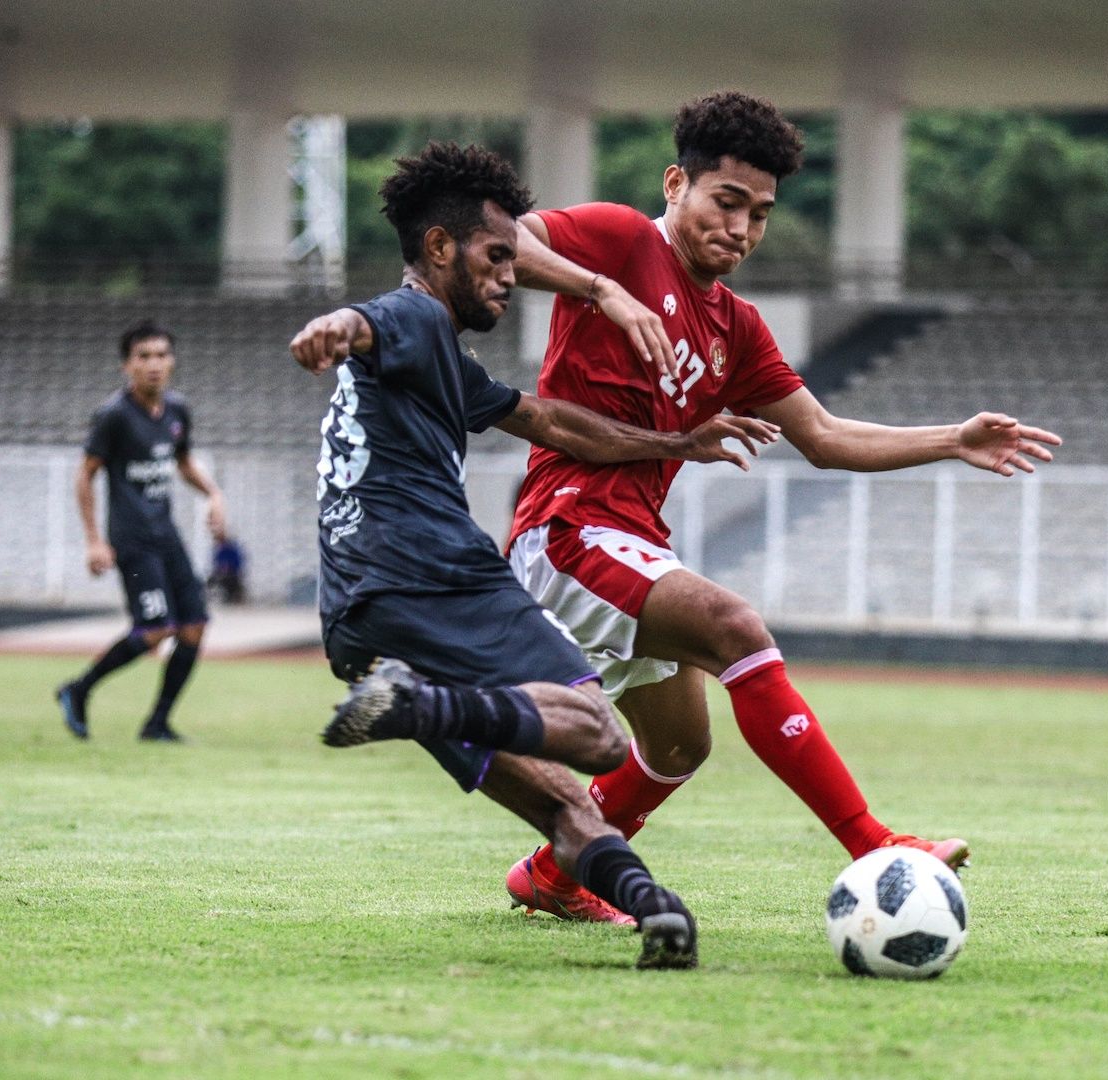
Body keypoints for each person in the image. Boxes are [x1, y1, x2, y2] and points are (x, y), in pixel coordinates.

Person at [496, 91, 1061, 920]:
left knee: (680, 746)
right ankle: (875, 845)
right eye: (727, 202)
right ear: (675, 185)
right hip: (566, 527)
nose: (742, 229)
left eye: (760, 214)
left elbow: (827, 437)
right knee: (736, 629)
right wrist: (603, 292)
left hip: (629, 539)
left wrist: (952, 438)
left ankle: (551, 874)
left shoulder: (737, 326)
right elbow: (501, 237)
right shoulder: (620, 240)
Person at [288, 141, 781, 969]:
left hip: (359, 615)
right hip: (434, 571)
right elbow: (366, 323)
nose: (511, 277)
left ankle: (653, 909)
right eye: (496, 257)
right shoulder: (413, 318)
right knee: (600, 739)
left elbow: (549, 420)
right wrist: (334, 328)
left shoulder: (443, 358)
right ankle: (419, 707)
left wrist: (675, 442)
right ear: (439, 248)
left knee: (560, 803)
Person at [56, 322, 227, 743]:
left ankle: (157, 723)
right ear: (126, 365)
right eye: (143, 356)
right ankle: (78, 690)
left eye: (160, 355)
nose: (153, 365)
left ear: (172, 361)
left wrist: (213, 494)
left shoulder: (176, 411)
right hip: (131, 539)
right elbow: (85, 475)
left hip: (166, 535)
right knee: (154, 630)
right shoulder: (114, 415)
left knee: (193, 627)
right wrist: (95, 540)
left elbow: (183, 462)